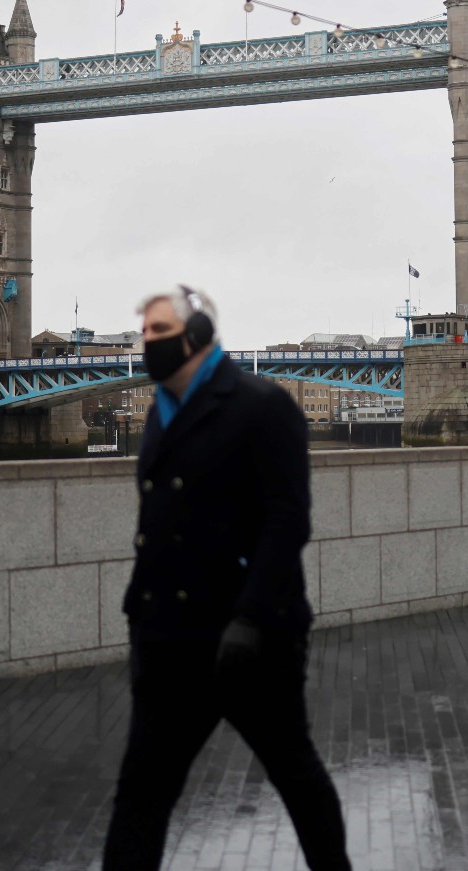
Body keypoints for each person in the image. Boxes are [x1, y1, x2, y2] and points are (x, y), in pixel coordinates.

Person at [102, 285, 350, 871]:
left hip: (249, 641)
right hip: (168, 640)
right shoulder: (160, 412)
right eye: (144, 333)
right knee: (141, 794)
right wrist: (141, 619)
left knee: (296, 775)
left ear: (198, 336)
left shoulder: (262, 406)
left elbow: (287, 521)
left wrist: (251, 618)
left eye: (159, 332)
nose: (146, 344)